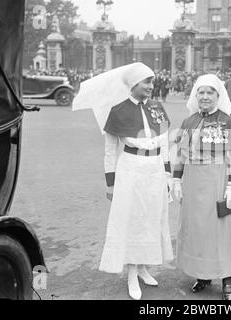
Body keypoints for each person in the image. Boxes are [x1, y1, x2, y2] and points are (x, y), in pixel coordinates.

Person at [73, 63, 174, 300]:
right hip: (131, 170)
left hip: (155, 169)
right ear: (133, 84)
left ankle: (142, 268)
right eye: (146, 82)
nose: (151, 86)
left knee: (150, 217)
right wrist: (110, 183)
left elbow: (165, 146)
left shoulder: (158, 108)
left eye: (152, 81)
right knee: (132, 218)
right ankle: (130, 273)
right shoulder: (117, 111)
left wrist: (168, 176)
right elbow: (110, 151)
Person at [172, 74, 231, 300]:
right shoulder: (188, 122)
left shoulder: (229, 122)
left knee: (220, 231)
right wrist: (176, 179)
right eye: (201, 92)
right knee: (197, 231)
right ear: (196, 96)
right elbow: (181, 155)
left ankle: (226, 278)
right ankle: (203, 274)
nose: (205, 97)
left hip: (217, 182)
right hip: (193, 185)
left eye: (209, 92)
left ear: (218, 95)